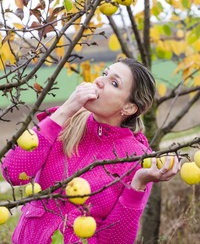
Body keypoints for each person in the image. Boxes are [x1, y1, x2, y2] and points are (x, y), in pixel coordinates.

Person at [1, 58, 180, 244]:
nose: (98, 81)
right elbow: (12, 173)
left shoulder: (137, 160)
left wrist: (138, 184)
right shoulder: (64, 122)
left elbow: (115, 240)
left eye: (114, 83)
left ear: (129, 107)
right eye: (104, 74)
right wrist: (64, 110)